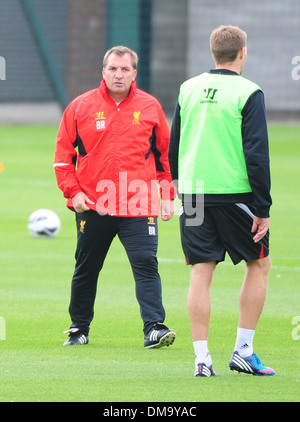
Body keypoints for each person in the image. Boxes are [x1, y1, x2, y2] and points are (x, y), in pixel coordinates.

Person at [169, 25, 275, 377]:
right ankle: (243, 351)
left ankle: (202, 359)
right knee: (258, 264)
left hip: (194, 193)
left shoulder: (188, 88)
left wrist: (178, 187)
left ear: (213, 53)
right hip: (234, 194)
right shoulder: (249, 92)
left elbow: (175, 144)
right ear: (242, 52)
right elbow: (257, 154)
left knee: (201, 270)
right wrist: (263, 209)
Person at [54, 45, 176, 349]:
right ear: (103, 71)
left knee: (146, 263)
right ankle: (79, 327)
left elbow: (166, 157)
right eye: (112, 69)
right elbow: (62, 158)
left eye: (124, 69)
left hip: (139, 203)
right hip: (94, 204)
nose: (118, 75)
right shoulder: (80, 107)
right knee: (87, 267)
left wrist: (167, 194)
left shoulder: (150, 107)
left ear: (134, 73)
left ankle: (154, 329)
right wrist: (74, 193)